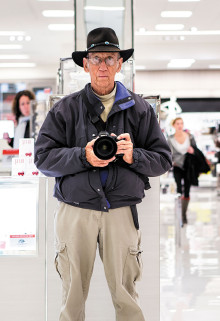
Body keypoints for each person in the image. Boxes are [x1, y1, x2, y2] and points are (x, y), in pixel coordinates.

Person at [34, 27, 172, 321]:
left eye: (110, 58)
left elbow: (163, 160)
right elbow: (43, 159)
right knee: (72, 297)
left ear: (120, 63)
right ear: (85, 64)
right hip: (75, 211)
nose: (103, 66)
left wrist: (134, 155)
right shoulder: (65, 109)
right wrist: (83, 155)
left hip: (121, 211)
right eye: (96, 58)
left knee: (126, 297)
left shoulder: (140, 109)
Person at [167, 117, 196, 225]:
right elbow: (168, 152)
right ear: (174, 125)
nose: (180, 125)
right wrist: (171, 161)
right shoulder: (170, 138)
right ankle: (179, 214)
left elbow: (196, 150)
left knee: (187, 190)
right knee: (179, 189)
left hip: (188, 166)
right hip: (177, 166)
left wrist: (193, 151)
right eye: (177, 123)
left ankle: (184, 214)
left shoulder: (190, 136)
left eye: (181, 123)